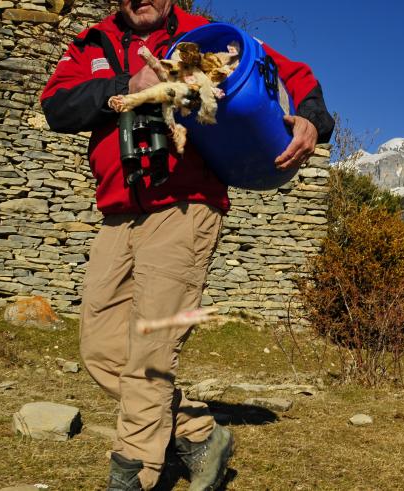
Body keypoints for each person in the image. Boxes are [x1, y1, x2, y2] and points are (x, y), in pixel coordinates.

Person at [40, 1, 334, 489]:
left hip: (185, 205)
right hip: (117, 213)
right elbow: (56, 106)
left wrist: (310, 119)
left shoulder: (207, 35)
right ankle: (199, 435)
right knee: (100, 348)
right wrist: (123, 88)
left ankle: (135, 472)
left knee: (151, 348)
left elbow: (294, 74)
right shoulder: (90, 44)